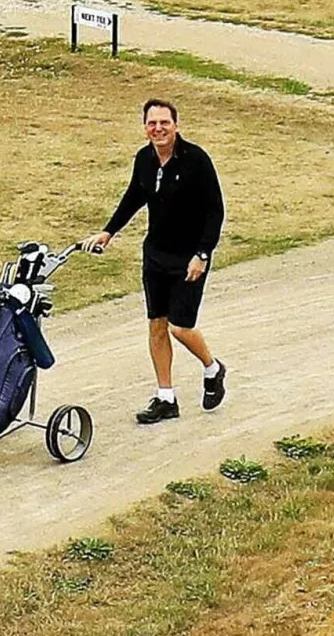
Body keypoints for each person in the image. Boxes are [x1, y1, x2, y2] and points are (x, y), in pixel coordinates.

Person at [82, 99, 226, 424]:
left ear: (176, 125)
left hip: (189, 258)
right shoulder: (145, 159)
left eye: (164, 122)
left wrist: (203, 253)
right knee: (157, 326)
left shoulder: (196, 160)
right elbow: (134, 195)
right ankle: (166, 398)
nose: (158, 129)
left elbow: (215, 211)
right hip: (156, 255)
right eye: (152, 123)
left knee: (180, 326)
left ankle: (213, 369)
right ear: (145, 127)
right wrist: (109, 232)